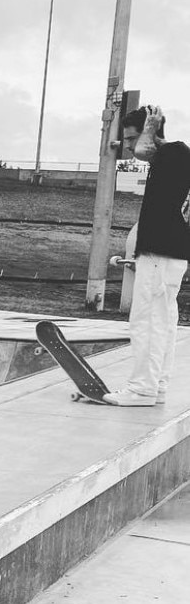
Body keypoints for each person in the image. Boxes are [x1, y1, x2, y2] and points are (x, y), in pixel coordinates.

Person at [104, 105, 190, 406]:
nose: (128, 146)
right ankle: (156, 384)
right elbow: (143, 151)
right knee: (162, 321)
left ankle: (142, 389)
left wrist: (151, 128)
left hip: (160, 254)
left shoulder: (174, 152)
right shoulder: (170, 160)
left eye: (131, 138)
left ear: (150, 134)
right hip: (166, 255)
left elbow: (142, 150)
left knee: (147, 320)